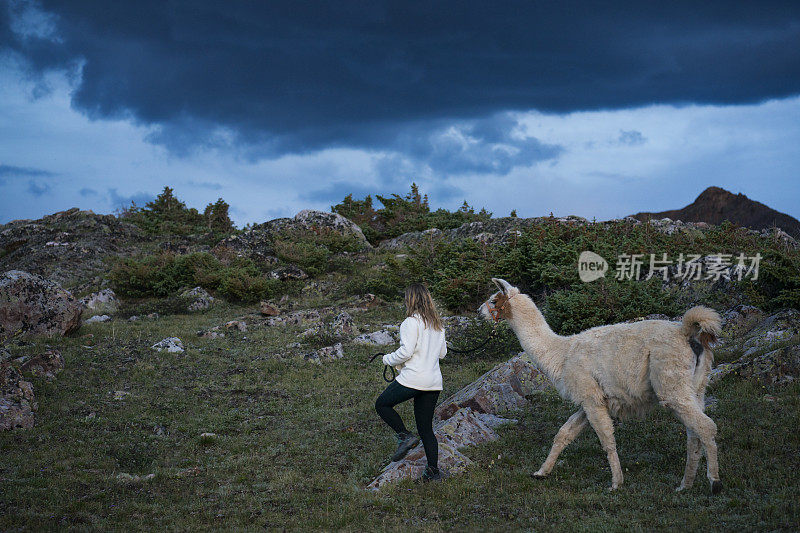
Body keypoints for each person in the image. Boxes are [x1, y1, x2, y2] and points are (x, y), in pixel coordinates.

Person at [375, 283, 447, 483]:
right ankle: (433, 472)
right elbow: (443, 353)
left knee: (381, 404)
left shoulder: (410, 322)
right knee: (426, 429)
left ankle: (404, 436)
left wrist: (387, 359)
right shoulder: (438, 325)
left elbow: (406, 352)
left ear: (411, 300)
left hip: (414, 378)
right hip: (433, 382)